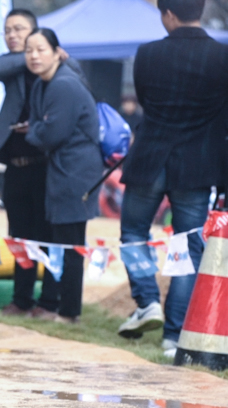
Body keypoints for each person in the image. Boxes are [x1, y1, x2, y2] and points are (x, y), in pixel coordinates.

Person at [117, 0, 228, 355]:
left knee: (134, 231)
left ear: (167, 14)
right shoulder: (222, 56)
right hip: (197, 165)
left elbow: (146, 101)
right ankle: (173, 334)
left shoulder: (148, 54)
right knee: (188, 246)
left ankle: (147, 299)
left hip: (150, 157)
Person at [0, 9, 82, 318]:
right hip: (15, 166)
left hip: (46, 165)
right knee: (20, 234)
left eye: (19, 29)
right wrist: (34, 56)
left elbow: (74, 69)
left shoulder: (59, 66)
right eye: (8, 30)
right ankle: (21, 299)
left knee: (49, 235)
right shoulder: (11, 64)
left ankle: (49, 302)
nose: (12, 35)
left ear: (37, 33)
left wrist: (47, 56)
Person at [24, 28, 102, 324]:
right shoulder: (42, 84)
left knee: (70, 243)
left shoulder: (63, 85)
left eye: (41, 49)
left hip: (76, 172)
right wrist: (38, 128)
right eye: (29, 50)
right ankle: (56, 305)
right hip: (61, 168)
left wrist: (35, 131)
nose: (33, 55)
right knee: (59, 240)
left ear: (58, 53)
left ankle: (69, 312)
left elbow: (50, 133)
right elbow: (38, 124)